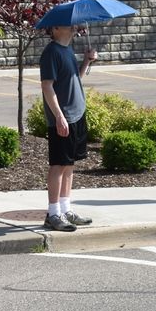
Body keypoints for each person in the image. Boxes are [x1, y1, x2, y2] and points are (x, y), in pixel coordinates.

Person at [39, 25, 98, 232]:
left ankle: (66, 209)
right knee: (59, 165)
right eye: (68, 23)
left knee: (70, 164)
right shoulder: (51, 53)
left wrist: (86, 62)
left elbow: (75, 80)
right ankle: (53, 214)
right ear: (55, 28)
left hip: (77, 115)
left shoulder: (67, 51)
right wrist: (59, 116)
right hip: (63, 117)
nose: (74, 26)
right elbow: (47, 86)